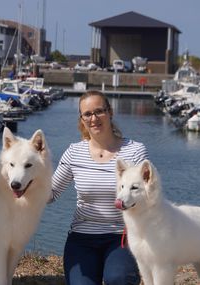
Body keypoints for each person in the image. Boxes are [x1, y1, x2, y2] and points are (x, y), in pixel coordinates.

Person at [50, 90, 149, 285]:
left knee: (118, 279)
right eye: (87, 114)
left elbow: (146, 197)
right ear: (82, 119)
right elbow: (50, 194)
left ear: (110, 112)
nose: (93, 118)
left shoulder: (135, 150)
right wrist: (20, 181)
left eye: (99, 111)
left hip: (123, 236)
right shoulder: (74, 152)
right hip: (82, 237)